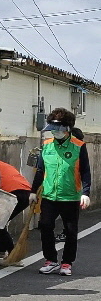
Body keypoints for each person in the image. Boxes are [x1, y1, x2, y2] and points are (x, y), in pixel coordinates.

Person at [32, 108, 92, 276]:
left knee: (71, 231)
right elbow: (40, 170)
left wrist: (85, 193)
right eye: (52, 129)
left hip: (71, 196)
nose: (55, 133)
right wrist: (33, 191)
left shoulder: (78, 146)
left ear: (67, 129)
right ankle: (50, 259)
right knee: (45, 226)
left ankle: (66, 263)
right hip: (49, 195)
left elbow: (85, 171)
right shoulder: (46, 145)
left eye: (58, 130)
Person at [0, 158, 32, 264]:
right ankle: (2, 252)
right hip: (25, 193)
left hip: (10, 194)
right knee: (1, 223)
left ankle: (10, 254)